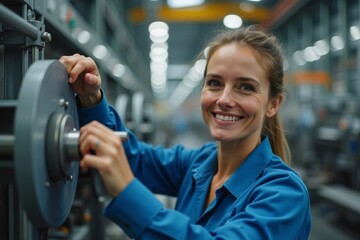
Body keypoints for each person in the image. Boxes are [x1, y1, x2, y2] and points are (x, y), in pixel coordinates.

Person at [59, 25, 311, 239]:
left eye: (245, 87)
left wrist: (127, 192)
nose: (224, 99)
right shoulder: (199, 164)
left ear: (273, 104)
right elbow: (132, 159)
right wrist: (91, 100)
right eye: (215, 83)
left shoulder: (284, 194)